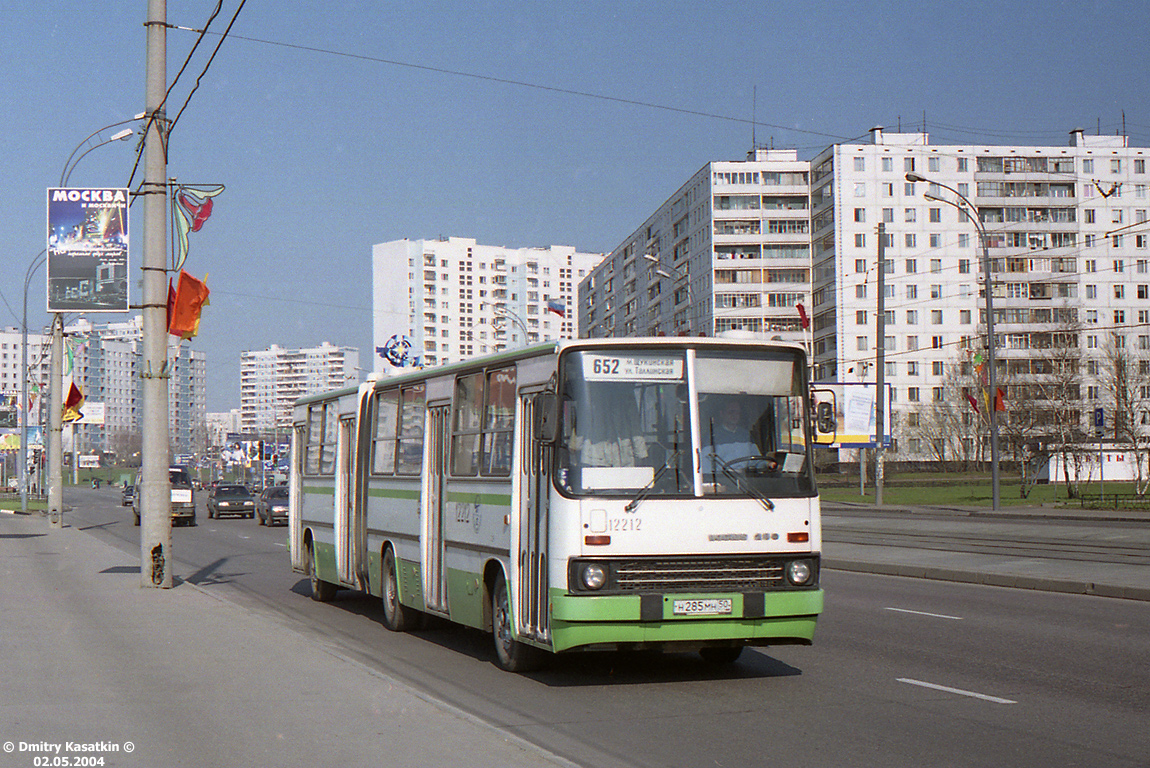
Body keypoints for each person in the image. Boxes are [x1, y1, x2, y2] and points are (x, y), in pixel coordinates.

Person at [703, 400, 759, 464]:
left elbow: (756, 460)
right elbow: (706, 463)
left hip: (745, 473)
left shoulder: (746, 435)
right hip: (722, 474)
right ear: (722, 414)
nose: (735, 415)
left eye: (737, 413)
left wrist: (768, 464)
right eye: (731, 412)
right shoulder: (713, 436)